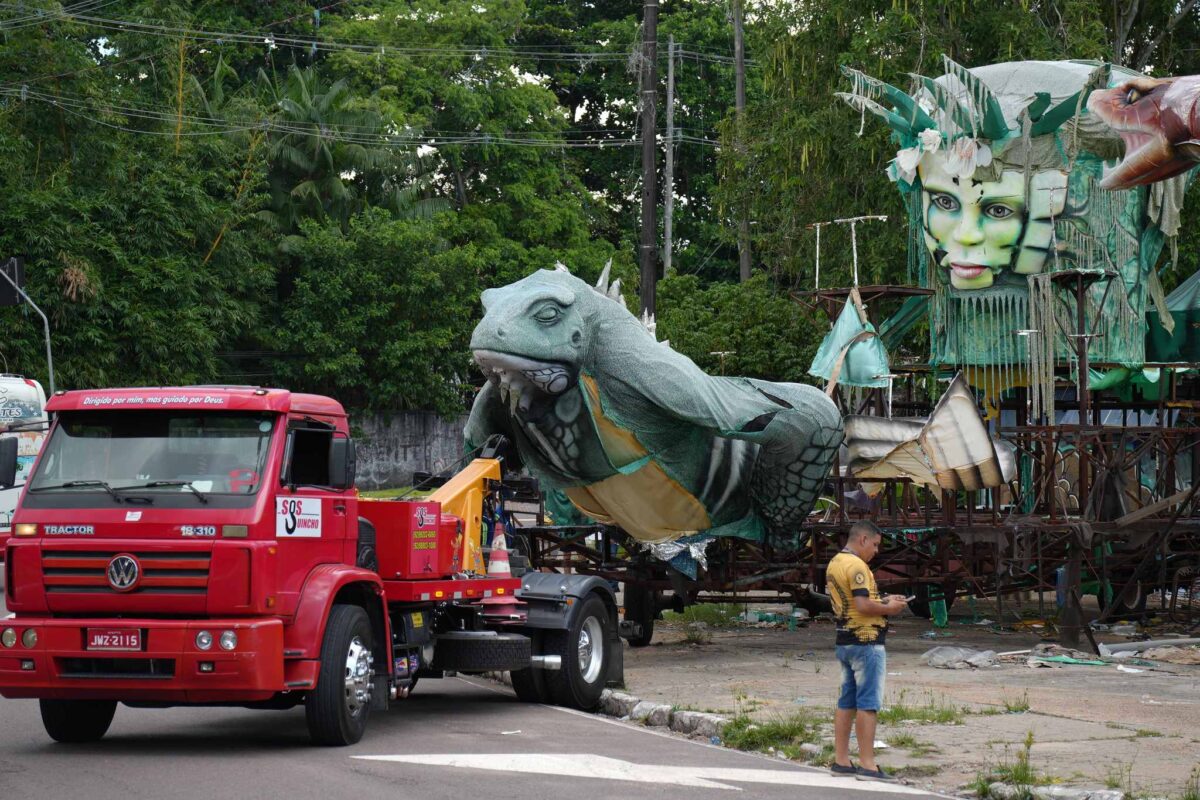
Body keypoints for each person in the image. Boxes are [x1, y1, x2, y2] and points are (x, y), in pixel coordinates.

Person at [826, 520, 908, 781]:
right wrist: (889, 608)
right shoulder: (857, 566)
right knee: (868, 704)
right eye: (874, 544)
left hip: (844, 640)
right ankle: (868, 765)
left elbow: (854, 602)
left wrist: (883, 601)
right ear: (862, 539)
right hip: (866, 641)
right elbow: (862, 606)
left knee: (846, 702)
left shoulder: (836, 562)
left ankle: (841, 761)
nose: (876, 551)